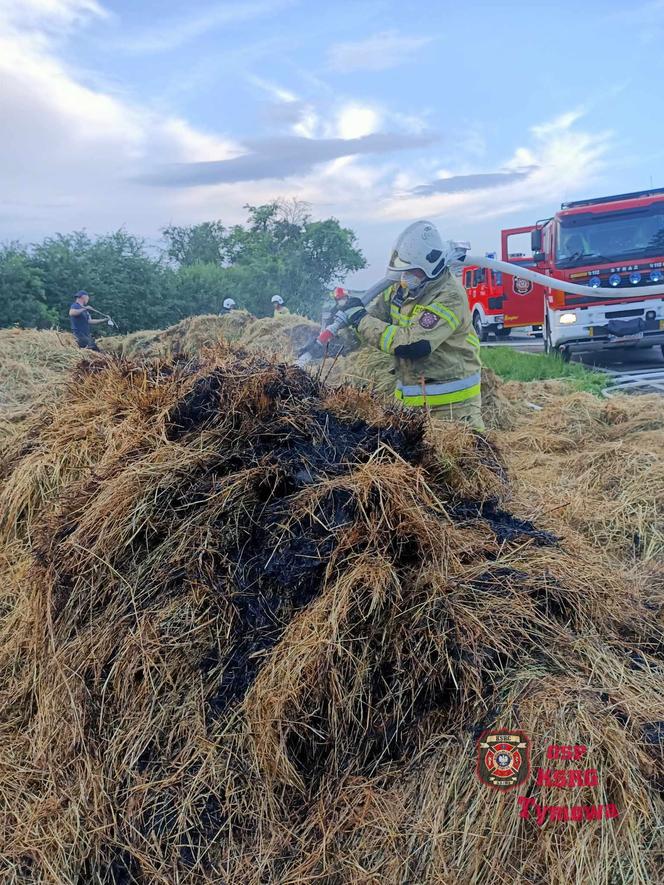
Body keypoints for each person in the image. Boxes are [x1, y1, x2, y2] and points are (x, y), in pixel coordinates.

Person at [336, 220, 484, 431]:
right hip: (412, 408)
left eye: (411, 271)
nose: (404, 278)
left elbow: (413, 345)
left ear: (430, 267)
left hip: (453, 411)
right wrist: (342, 333)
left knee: (456, 463)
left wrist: (360, 320)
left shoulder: (448, 296)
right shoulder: (402, 289)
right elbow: (373, 319)